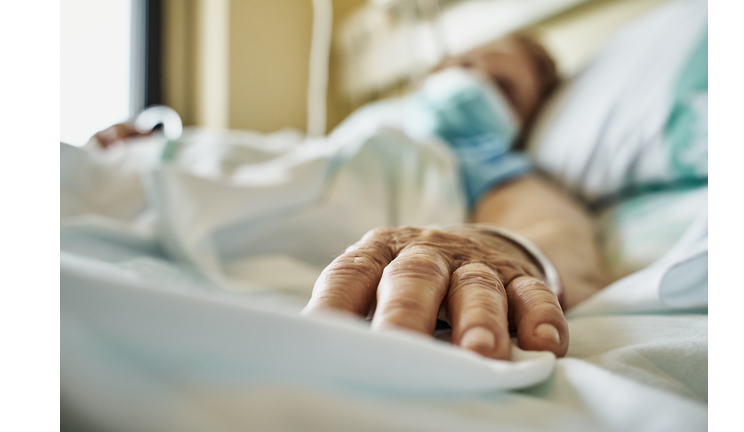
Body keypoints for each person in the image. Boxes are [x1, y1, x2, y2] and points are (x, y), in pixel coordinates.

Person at [86, 34, 611, 361]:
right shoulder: (354, 134)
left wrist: (495, 250)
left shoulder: (484, 164)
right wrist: (163, 146)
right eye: (465, 63)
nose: (470, 80)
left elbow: (557, 235)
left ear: (522, 125)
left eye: (502, 85)